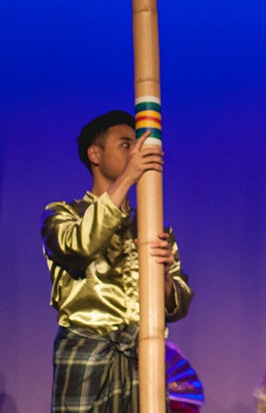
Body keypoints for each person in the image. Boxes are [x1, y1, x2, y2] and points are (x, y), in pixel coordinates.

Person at [41, 110, 194, 412]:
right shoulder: (61, 214)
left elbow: (178, 305)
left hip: (142, 354)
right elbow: (78, 246)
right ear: (94, 154)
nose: (136, 151)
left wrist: (162, 277)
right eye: (126, 144)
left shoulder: (153, 226)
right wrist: (127, 179)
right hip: (87, 351)